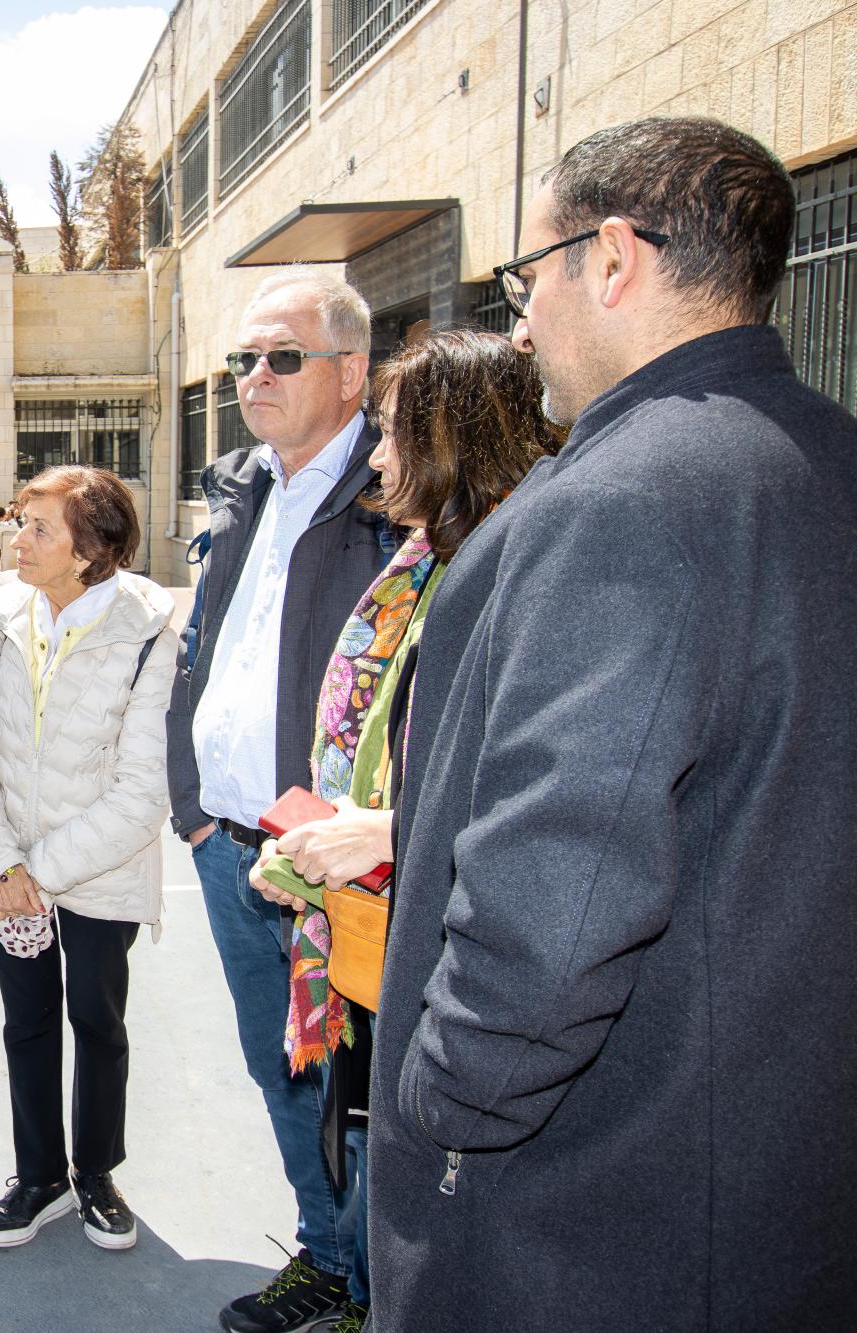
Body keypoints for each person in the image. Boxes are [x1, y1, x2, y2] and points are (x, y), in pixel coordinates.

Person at [366, 117, 857, 1333]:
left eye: (525, 279)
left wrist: (446, 1112)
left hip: (589, 1213)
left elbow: (562, 891)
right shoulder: (821, 454)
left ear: (615, 255)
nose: (519, 321)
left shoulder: (630, 496)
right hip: (768, 1170)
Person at [246, 329, 557, 1332]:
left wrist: (385, 829)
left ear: (449, 436)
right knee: (366, 1129)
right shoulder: (428, 559)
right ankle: (356, 1287)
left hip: (445, 936)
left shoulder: (522, 569)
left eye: (389, 433)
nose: (378, 459)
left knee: (427, 1172)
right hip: (373, 922)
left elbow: (532, 780)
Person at [166, 270, 393, 1333]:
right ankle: (326, 1257)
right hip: (229, 842)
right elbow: (202, 650)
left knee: (361, 1079)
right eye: (240, 361)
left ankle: (374, 1285)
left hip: (337, 854)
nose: (252, 377)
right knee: (280, 1064)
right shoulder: (239, 487)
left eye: (279, 357)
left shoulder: (390, 496)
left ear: (350, 374)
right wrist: (191, 800)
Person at [0, 465, 174, 1252]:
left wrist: (34, 872)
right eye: (18, 520)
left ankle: (97, 1173)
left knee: (98, 1021)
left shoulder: (148, 626)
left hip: (99, 873)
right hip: (4, 868)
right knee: (28, 1021)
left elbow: (143, 789)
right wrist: (3, 866)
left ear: (93, 550)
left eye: (39, 527)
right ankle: (38, 1177)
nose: (16, 538)